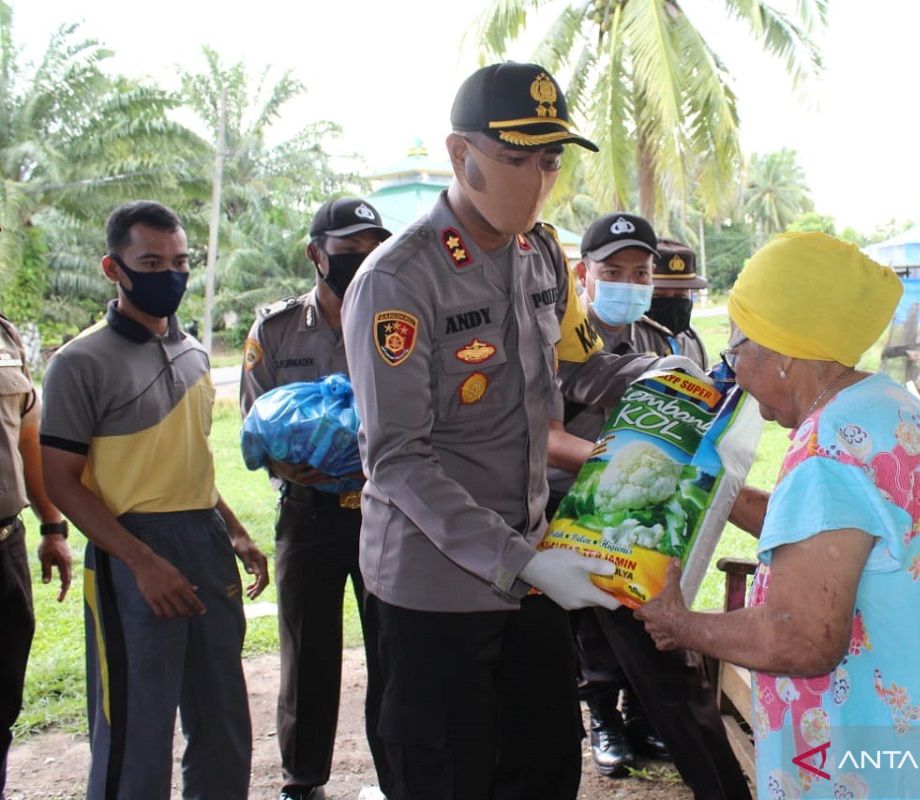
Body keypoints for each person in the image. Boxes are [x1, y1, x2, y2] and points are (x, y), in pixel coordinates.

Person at [340, 62, 690, 800]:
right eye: (515, 157)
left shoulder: (540, 260)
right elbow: (398, 460)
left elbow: (580, 374)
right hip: (436, 585)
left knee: (542, 769)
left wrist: (673, 385)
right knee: (448, 776)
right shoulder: (399, 280)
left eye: (551, 159)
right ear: (461, 156)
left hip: (530, 570)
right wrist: (522, 563)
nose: (537, 179)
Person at [636, 232, 920, 798]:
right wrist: (716, 490)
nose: (733, 369)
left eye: (737, 349)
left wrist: (681, 625)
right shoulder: (887, 410)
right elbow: (832, 542)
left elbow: (802, 636)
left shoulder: (828, 450)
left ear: (784, 353)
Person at [39, 201, 270, 800]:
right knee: (134, 730)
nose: (170, 273)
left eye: (180, 261)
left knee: (222, 720)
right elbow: (61, 481)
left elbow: (189, 459)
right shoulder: (78, 362)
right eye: (151, 262)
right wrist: (141, 561)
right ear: (113, 268)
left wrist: (235, 530)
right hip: (130, 552)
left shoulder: (194, 352)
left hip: (205, 541)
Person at [548, 213, 751, 799]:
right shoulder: (549, 342)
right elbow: (542, 436)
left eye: (640, 272)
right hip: (555, 524)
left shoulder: (660, 346)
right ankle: (603, 724)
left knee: (666, 663)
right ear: (583, 274)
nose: (628, 282)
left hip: (634, 529)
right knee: (559, 663)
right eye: (613, 271)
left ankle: (714, 782)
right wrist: (623, 463)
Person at [241, 197, 392, 800]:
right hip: (308, 516)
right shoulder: (275, 330)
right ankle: (303, 781)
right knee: (308, 651)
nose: (360, 261)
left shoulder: (395, 319)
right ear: (315, 255)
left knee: (392, 646)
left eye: (370, 250)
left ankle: (395, 772)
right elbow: (255, 421)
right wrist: (292, 464)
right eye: (347, 251)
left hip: (385, 512)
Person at [0, 312, 71, 800]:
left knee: (3, 696)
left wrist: (52, 526)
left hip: (4, 547)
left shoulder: (3, 334)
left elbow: (27, 437)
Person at [646, 238, 708, 366]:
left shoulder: (693, 341)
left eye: (680, 295)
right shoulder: (629, 342)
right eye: (658, 295)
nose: (671, 302)